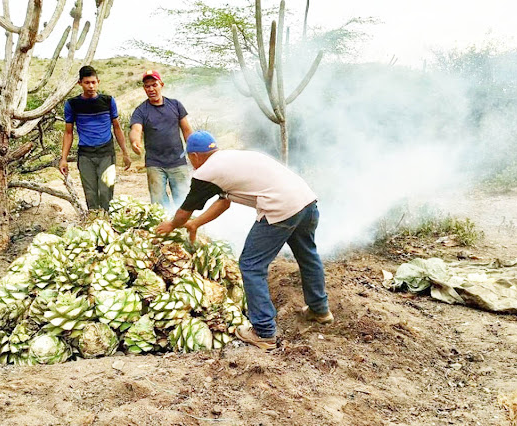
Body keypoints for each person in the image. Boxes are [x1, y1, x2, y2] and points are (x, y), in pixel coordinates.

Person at [156, 131, 332, 350]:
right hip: (306, 201)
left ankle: (264, 332)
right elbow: (224, 202)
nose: (190, 162)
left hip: (281, 207)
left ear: (195, 155)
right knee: (307, 255)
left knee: (251, 265)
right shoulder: (230, 160)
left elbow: (184, 210)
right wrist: (196, 223)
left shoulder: (206, 172)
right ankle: (319, 309)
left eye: (189, 157)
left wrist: (171, 225)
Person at [59, 65, 131, 211]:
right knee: (90, 194)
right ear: (80, 83)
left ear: (98, 81)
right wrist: (64, 158)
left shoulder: (108, 101)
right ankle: (94, 223)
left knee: (106, 192)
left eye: (93, 82)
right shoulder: (72, 104)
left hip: (106, 153)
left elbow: (117, 127)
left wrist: (125, 152)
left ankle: (108, 223)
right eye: (87, 83)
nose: (91, 86)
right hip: (85, 154)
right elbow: (68, 133)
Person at [129, 70, 193, 209]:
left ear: (161, 85)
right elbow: (136, 129)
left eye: (154, 84)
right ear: (144, 89)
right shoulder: (141, 110)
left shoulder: (175, 105)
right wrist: (135, 142)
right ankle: (164, 227)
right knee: (158, 203)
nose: (151, 89)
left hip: (178, 161)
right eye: (147, 86)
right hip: (155, 163)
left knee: (183, 199)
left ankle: (184, 227)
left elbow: (186, 130)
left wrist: (194, 150)